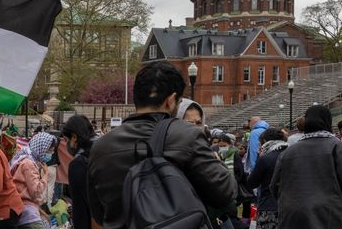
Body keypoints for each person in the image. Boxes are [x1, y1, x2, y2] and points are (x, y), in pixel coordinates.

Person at [86, 61, 236, 229]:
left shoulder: (100, 147)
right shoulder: (187, 136)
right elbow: (225, 194)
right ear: (171, 100)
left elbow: (98, 214)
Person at [270, 105, 342, 228]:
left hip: (292, 215)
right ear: (328, 122)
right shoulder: (338, 147)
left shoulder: (288, 152)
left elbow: (274, 186)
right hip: (329, 215)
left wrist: (289, 202)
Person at [10, 132, 56, 229]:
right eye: (49, 150)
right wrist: (46, 174)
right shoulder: (29, 164)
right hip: (28, 214)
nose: (50, 154)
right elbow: (36, 192)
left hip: (26, 210)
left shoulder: (25, 159)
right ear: (41, 147)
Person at [246, 128, 288, 229]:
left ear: (265, 141)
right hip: (290, 206)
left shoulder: (266, 158)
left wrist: (259, 158)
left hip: (269, 206)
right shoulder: (293, 154)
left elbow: (251, 183)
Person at [61, 115, 95, 229]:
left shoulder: (78, 164)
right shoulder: (103, 151)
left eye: (66, 140)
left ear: (74, 137)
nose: (66, 144)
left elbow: (81, 207)